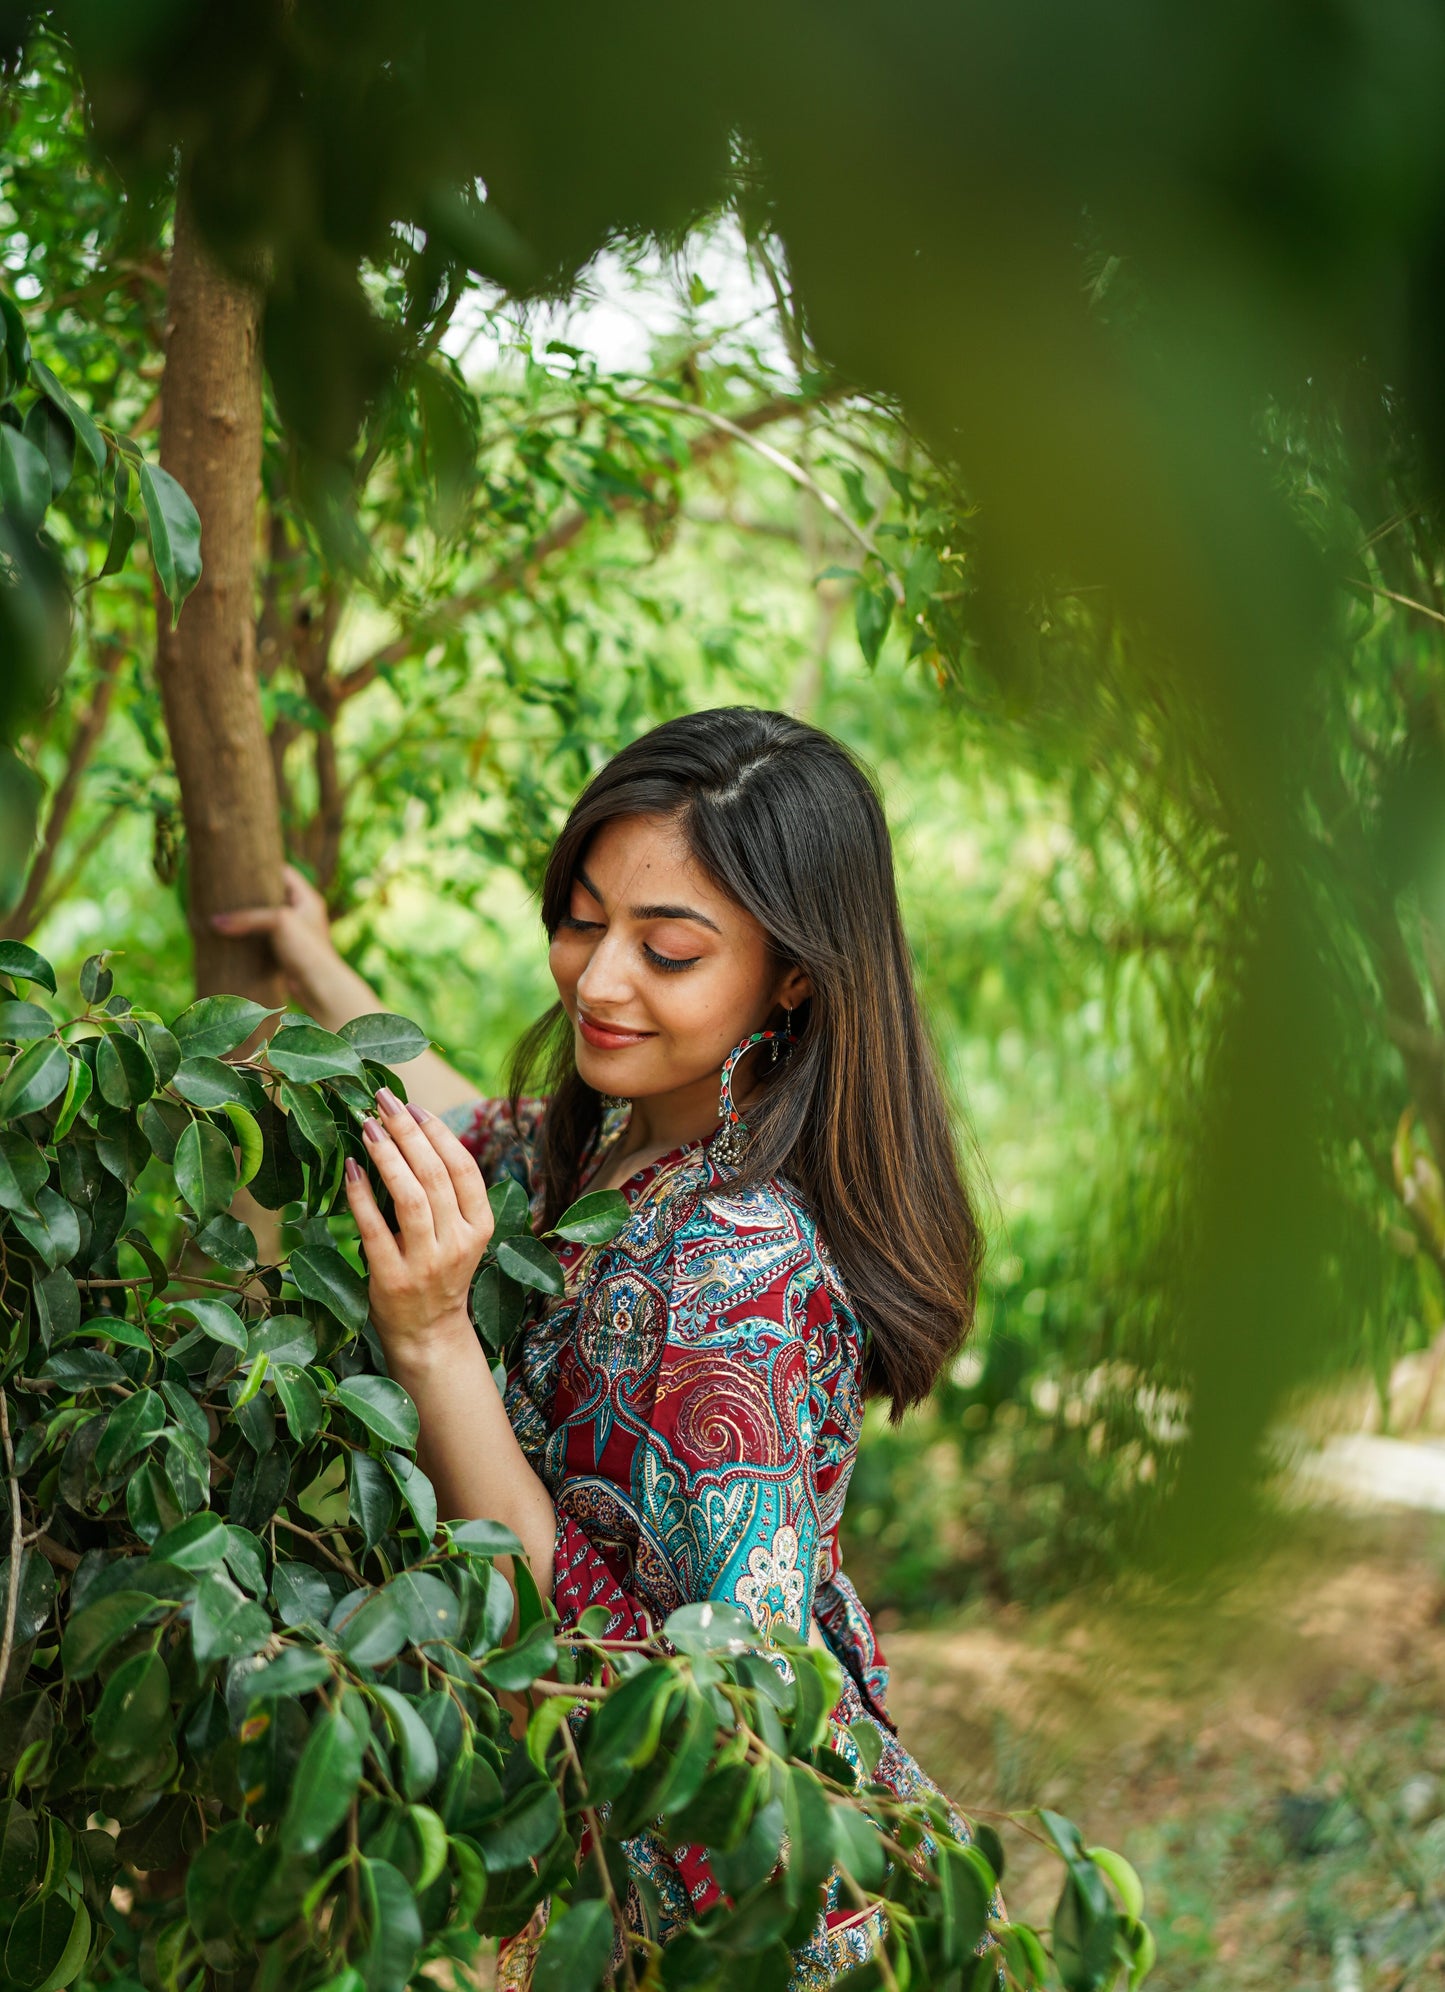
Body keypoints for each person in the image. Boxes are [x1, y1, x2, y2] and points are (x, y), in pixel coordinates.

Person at [214, 706, 987, 1987]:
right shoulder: (620, 1148)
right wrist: (313, 957)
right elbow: (465, 1119)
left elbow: (643, 1688)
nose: (598, 978)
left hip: (732, 1926)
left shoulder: (738, 1272)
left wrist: (432, 1340)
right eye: (583, 920)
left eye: (666, 949)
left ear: (791, 973)